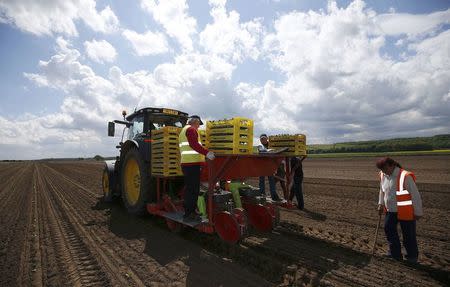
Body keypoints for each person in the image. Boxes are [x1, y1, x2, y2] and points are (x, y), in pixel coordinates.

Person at [376, 157, 423, 263]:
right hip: (390, 210)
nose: (383, 171)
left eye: (384, 168)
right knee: (389, 230)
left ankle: (412, 257)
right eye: (381, 169)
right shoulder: (383, 175)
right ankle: (395, 254)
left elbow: (415, 195)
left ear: (392, 165)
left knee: (408, 235)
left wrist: (418, 212)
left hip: (405, 211)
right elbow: (382, 190)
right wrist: (380, 204)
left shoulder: (404, 176)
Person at [179, 115, 215, 221]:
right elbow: (194, 144)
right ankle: (189, 213)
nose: (199, 126)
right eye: (199, 124)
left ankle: (191, 211)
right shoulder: (191, 130)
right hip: (191, 164)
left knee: (191, 189)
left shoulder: (183, 131)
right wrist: (207, 153)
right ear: (195, 122)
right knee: (192, 190)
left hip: (188, 164)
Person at [258, 134, 281, 201]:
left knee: (271, 181)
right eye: (261, 139)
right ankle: (262, 195)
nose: (262, 140)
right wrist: (269, 151)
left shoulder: (272, 145)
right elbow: (262, 151)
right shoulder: (260, 146)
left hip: (270, 166)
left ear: (267, 138)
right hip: (262, 165)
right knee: (261, 181)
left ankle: (274, 195)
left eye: (263, 139)